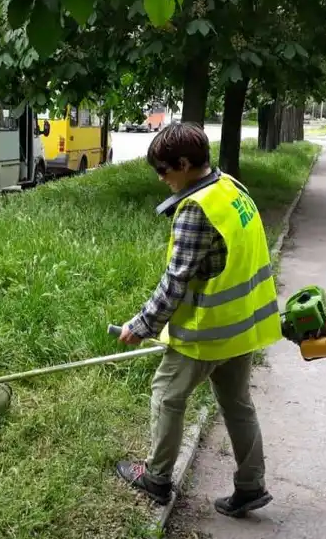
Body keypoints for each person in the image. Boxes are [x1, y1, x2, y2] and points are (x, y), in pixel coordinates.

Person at [114, 122, 283, 517]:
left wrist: (141, 326)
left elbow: (175, 282)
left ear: (185, 164)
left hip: (206, 333)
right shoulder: (231, 188)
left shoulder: (195, 209)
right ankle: (251, 486)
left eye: (163, 170)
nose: (161, 178)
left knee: (166, 395)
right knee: (238, 405)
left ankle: (156, 478)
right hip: (242, 327)